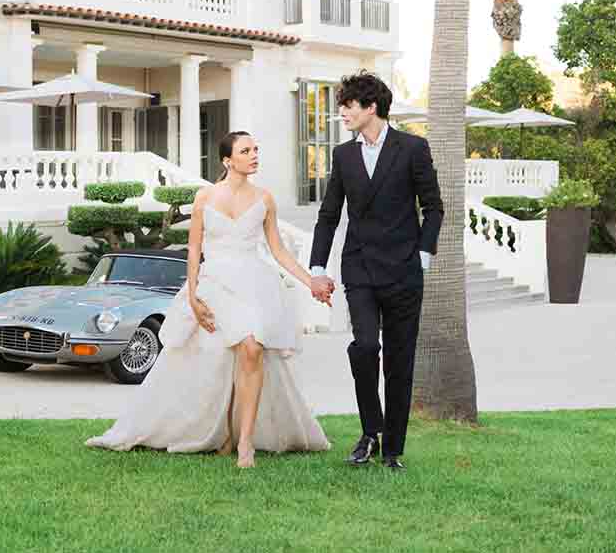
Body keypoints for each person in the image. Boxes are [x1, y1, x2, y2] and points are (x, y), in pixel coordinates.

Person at [87, 130, 330, 467]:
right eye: (246, 151)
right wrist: (192, 294)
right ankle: (226, 435)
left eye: (256, 149)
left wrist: (311, 281)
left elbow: (279, 251)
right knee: (225, 358)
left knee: (253, 348)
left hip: (255, 284)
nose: (254, 155)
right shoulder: (205, 198)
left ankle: (244, 442)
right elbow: (194, 248)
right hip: (214, 284)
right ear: (228, 160)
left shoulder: (265, 199)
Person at [309, 70, 443, 472]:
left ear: (372, 107)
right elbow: (329, 215)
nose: (343, 113)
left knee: (400, 362)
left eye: (349, 105)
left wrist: (422, 256)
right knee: (365, 347)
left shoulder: (413, 148)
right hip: (361, 269)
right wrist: (318, 266)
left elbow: (434, 207)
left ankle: (392, 451)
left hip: (404, 271)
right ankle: (371, 429)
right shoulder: (343, 155)